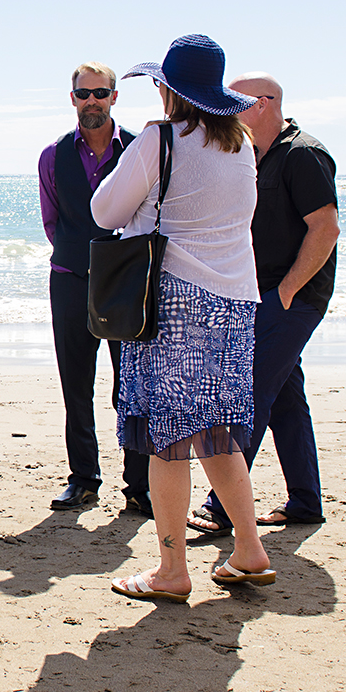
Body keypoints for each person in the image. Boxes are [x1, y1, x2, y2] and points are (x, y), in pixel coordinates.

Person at [92, 35, 276, 603]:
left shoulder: (159, 139)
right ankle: (249, 551)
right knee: (216, 430)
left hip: (172, 298)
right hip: (235, 301)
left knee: (166, 439)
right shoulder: (241, 145)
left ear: (169, 90)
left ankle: (172, 571)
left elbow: (105, 210)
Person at [188, 73, 339, 535]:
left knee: (250, 394)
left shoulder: (303, 154)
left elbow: (326, 228)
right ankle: (305, 502)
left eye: (230, 103)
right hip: (261, 296)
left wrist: (289, 291)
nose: (221, 111)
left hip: (291, 297)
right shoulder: (254, 155)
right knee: (288, 397)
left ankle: (221, 507)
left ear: (260, 104)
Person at [38, 62, 151, 515]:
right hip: (69, 281)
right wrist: (78, 257)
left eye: (100, 93)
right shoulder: (52, 155)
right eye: (83, 94)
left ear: (114, 97)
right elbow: (52, 221)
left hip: (126, 284)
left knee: (132, 386)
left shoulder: (139, 149)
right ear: (72, 99)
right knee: (76, 386)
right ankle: (84, 479)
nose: (92, 101)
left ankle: (139, 486)